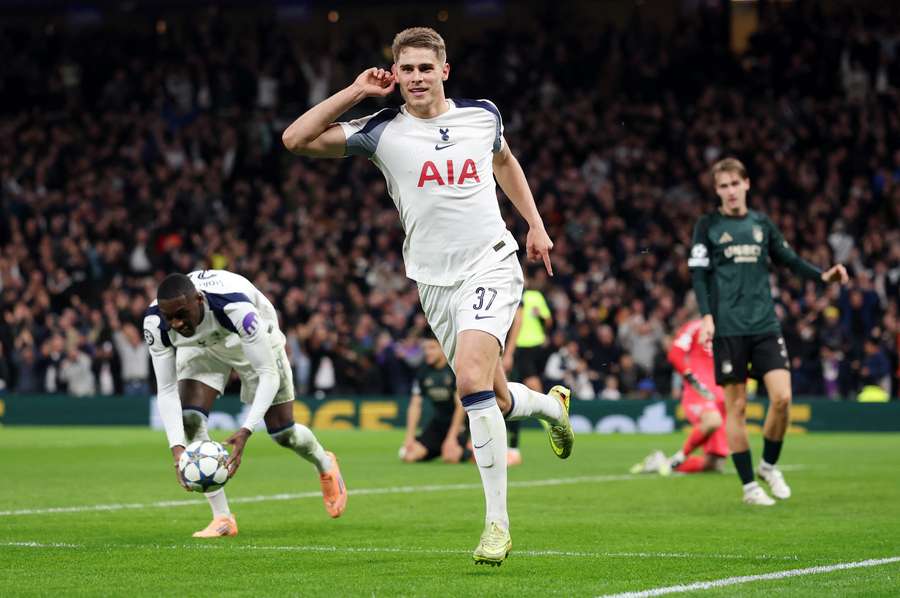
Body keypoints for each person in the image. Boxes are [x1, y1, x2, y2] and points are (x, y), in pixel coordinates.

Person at [282, 26, 574, 565]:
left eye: (425, 67)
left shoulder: (482, 115)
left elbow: (505, 161)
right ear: (395, 74)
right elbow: (294, 140)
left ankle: (496, 527)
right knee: (500, 398)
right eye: (406, 69)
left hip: (492, 261)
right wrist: (354, 92)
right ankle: (551, 408)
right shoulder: (381, 129)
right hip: (433, 282)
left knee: (467, 380)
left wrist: (535, 225)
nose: (416, 78)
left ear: (445, 70)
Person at [689, 158, 848, 506]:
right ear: (717, 191)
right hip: (728, 328)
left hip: (764, 324)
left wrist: (822, 276)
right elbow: (699, 276)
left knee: (783, 398)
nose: (730, 191)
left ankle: (768, 465)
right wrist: (706, 317)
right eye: (723, 186)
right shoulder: (708, 226)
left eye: (735, 183)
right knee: (738, 408)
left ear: (747, 184)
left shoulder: (762, 224)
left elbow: (789, 260)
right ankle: (749, 487)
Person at [143, 270, 348, 537]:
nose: (176, 323)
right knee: (190, 419)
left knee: (283, 433)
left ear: (199, 300)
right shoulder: (156, 324)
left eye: (181, 314)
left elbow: (268, 375)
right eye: (169, 317)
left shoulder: (236, 308)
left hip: (253, 343)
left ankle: (325, 463)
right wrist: (177, 449)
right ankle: (223, 518)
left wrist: (247, 429)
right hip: (203, 347)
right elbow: (167, 389)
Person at [630, 315, 728, 475]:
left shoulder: (731, 330)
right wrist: (692, 379)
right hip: (700, 393)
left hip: (721, 398)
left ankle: (662, 462)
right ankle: (679, 457)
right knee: (713, 420)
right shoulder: (696, 326)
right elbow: (675, 354)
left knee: (714, 463)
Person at [502, 268, 554, 466]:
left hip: (519, 346)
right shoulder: (536, 296)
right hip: (535, 344)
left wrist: (509, 352)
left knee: (518, 386)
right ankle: (549, 418)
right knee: (530, 382)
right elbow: (548, 320)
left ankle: (549, 418)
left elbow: (519, 318)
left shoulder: (517, 295)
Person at [400, 334, 469, 463]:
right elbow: (415, 405)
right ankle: (441, 448)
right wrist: (409, 437)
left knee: (451, 458)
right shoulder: (423, 371)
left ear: (443, 348)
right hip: (438, 423)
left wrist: (452, 437)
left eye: (432, 348)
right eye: (425, 348)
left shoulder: (453, 370)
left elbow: (461, 407)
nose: (427, 352)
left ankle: (469, 450)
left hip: (460, 424)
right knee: (408, 456)